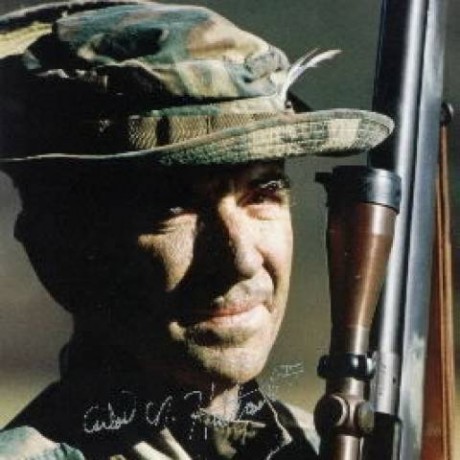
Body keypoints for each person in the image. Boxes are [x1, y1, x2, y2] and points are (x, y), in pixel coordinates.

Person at [0, 1, 393, 458]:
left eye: (262, 194)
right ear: (58, 249)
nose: (241, 258)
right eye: (174, 207)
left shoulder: (322, 447)